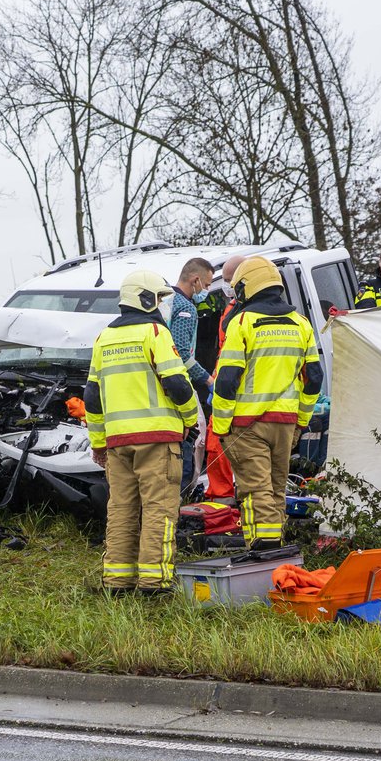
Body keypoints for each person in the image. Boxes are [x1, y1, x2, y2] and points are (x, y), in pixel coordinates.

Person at [84, 270, 200, 595]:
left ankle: (117, 582)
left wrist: (98, 442)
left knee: (121, 509)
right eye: (160, 298)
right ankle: (154, 583)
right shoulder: (154, 333)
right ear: (146, 299)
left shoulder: (103, 338)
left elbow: (92, 398)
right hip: (158, 439)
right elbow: (177, 383)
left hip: (117, 443)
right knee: (159, 508)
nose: (163, 305)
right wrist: (190, 419)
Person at [211, 256, 322, 550]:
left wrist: (221, 427)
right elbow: (314, 378)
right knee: (274, 489)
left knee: (255, 489)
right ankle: (276, 546)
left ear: (247, 287)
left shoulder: (242, 323)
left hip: (246, 425)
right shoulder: (301, 324)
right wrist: (301, 420)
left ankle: (264, 549)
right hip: (285, 424)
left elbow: (226, 381)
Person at [202, 253, 247, 502]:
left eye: (231, 280)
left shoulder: (249, 313)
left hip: (240, 391)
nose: (227, 287)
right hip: (223, 383)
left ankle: (228, 498)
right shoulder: (231, 308)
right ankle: (222, 498)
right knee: (215, 444)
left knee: (228, 446)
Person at [169, 258, 215, 490]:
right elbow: (182, 354)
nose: (206, 291)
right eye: (207, 285)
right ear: (196, 280)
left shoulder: (164, 300)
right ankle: (186, 491)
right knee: (196, 435)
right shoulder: (185, 308)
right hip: (179, 383)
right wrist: (208, 380)